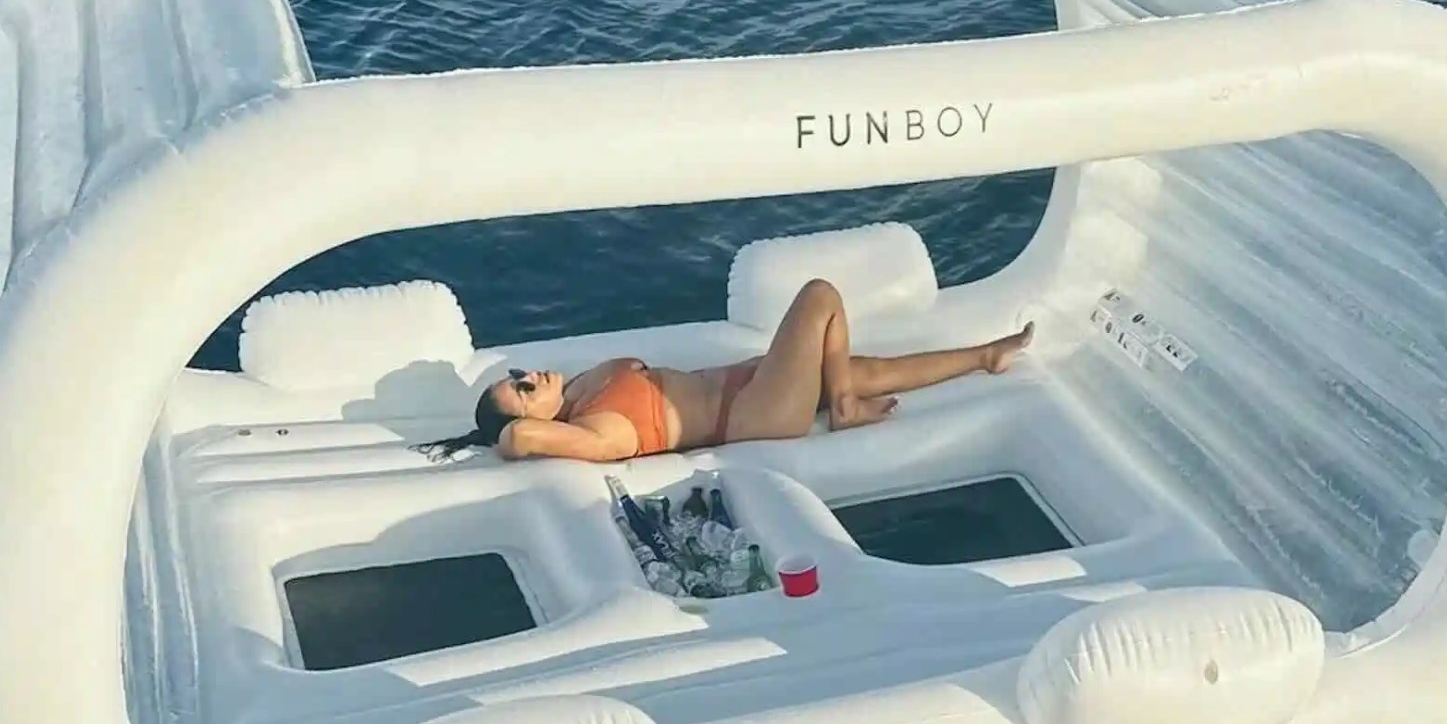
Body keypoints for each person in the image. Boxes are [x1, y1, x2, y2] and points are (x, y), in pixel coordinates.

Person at [423, 278, 1032, 462]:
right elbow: (518, 438)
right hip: (748, 415)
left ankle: (986, 356)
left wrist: (532, 404)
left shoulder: (582, 392)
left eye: (521, 372)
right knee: (819, 298)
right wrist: (501, 432)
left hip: (744, 382)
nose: (532, 376)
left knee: (861, 367)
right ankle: (842, 412)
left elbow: (525, 421)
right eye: (523, 389)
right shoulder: (595, 434)